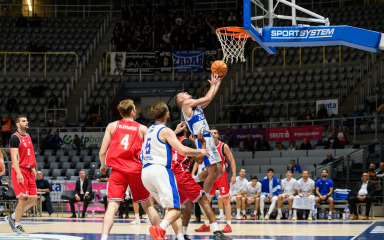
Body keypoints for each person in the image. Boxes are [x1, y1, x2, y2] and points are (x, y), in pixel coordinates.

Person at [141, 102, 216, 240]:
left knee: (169, 210)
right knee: (175, 210)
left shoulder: (150, 129)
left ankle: (178, 236)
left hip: (145, 173)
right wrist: (200, 149)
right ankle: (159, 229)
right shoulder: (166, 131)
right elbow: (182, 150)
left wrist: (174, 132)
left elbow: (161, 139)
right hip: (160, 170)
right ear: (167, 114)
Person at [99, 99, 161, 240]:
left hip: (117, 171)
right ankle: (160, 236)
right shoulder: (142, 129)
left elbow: (103, 151)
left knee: (112, 206)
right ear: (132, 111)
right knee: (148, 206)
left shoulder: (112, 126)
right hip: (136, 171)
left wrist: (103, 165)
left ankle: (103, 237)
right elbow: (151, 152)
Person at [169, 122, 231, 239]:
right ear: (184, 130)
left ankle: (181, 234)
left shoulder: (170, 143)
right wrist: (203, 143)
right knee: (204, 201)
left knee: (188, 206)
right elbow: (199, 160)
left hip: (172, 178)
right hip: (182, 176)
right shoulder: (187, 142)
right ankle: (217, 233)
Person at [175, 73, 223, 195]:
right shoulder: (186, 104)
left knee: (220, 171)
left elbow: (210, 98)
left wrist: (217, 84)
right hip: (203, 139)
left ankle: (194, 180)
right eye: (183, 94)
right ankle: (204, 200)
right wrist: (212, 84)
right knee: (212, 174)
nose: (186, 93)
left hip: (209, 138)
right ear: (181, 100)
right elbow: (207, 98)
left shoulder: (195, 106)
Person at [5, 115, 37, 236]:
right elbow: (13, 157)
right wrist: (18, 172)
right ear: (18, 124)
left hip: (29, 170)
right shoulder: (14, 138)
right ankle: (17, 226)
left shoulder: (28, 136)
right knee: (23, 198)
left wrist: (33, 167)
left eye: (27, 120)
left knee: (33, 199)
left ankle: (12, 217)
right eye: (24, 121)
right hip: (20, 170)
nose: (26, 122)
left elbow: (30, 153)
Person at [206, 128, 236, 232]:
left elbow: (232, 160)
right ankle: (206, 225)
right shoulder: (206, 146)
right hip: (210, 174)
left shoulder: (224, 146)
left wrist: (234, 175)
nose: (213, 134)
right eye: (211, 133)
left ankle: (228, 225)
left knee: (226, 200)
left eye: (215, 133)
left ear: (218, 135)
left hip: (221, 174)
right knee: (206, 199)